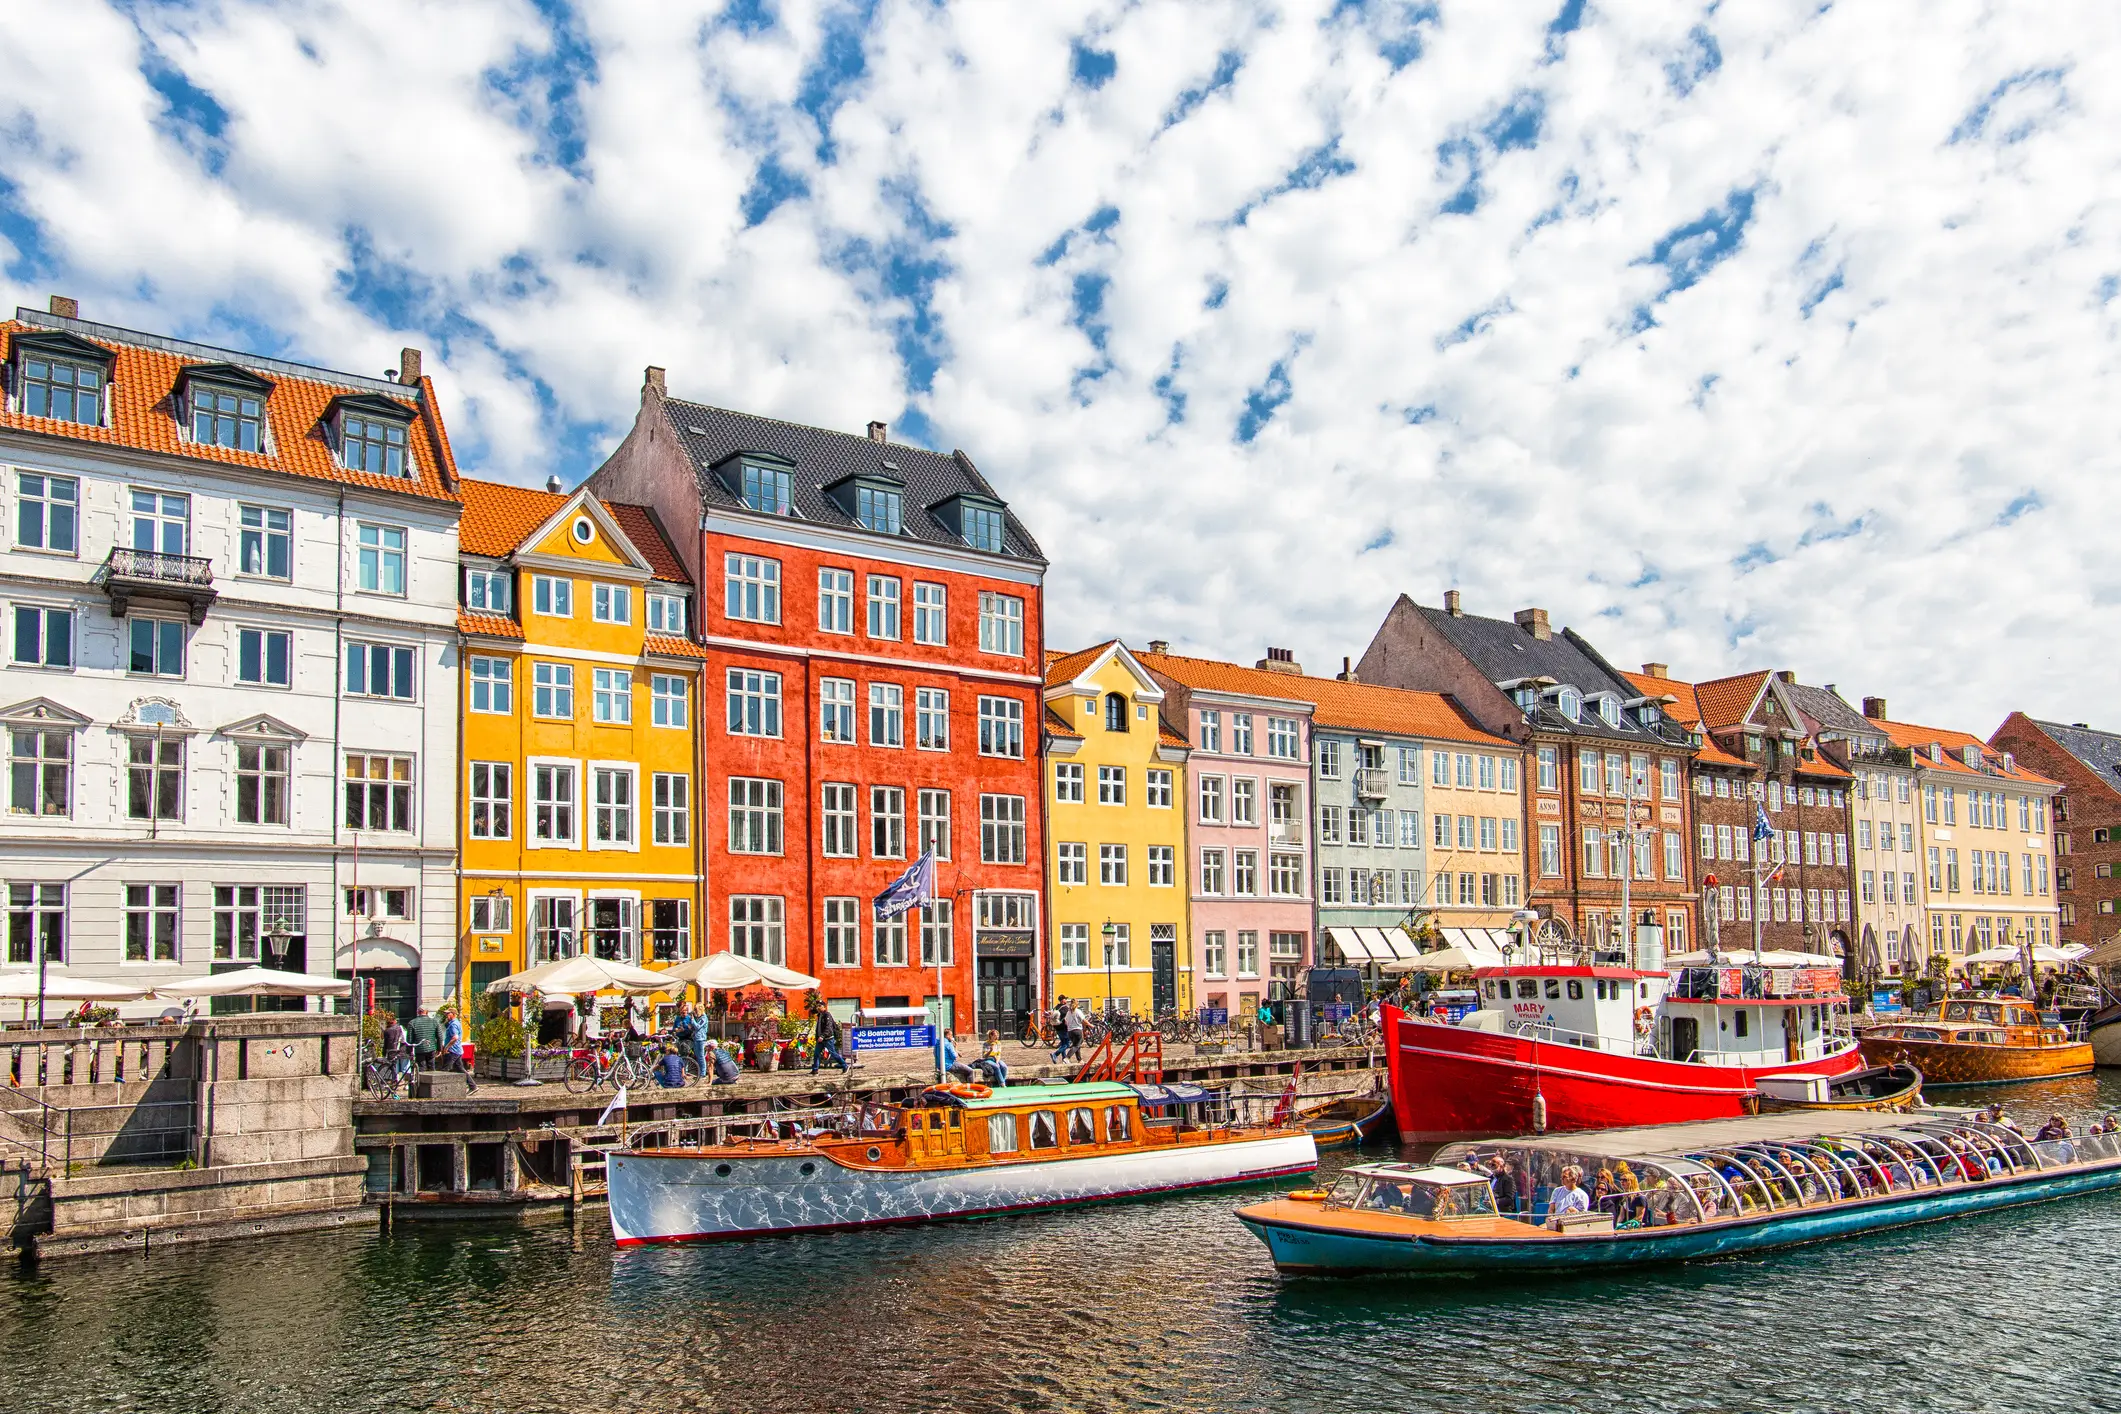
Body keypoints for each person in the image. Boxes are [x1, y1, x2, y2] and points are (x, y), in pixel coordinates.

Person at [438, 1005, 477, 1093]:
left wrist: (446, 1047)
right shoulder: (455, 1023)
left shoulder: (453, 1025)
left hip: (452, 1050)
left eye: (448, 1013)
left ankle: (440, 1090)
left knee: (445, 1070)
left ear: (453, 1014)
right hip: (457, 1050)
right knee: (460, 1068)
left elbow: (455, 1037)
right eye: (446, 1014)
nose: (446, 1015)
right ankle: (472, 1086)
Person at [810, 1000, 849, 1074]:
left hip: (828, 1039)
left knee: (833, 1053)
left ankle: (845, 1066)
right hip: (820, 1039)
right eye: (817, 1006)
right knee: (816, 1054)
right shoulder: (820, 1015)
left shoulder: (827, 1015)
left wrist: (822, 1036)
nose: (818, 1007)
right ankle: (815, 1070)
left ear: (823, 1007)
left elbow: (828, 1027)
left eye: (819, 1006)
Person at [672, 999, 708, 1080]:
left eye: (685, 1011)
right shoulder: (677, 1018)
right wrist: (676, 1030)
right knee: (681, 1055)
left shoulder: (690, 1018)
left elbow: (693, 1028)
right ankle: (683, 1072)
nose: (684, 1012)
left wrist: (685, 1029)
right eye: (682, 1011)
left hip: (690, 1039)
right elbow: (674, 1028)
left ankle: (690, 1072)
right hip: (681, 1038)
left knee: (688, 1054)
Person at [405, 1005, 441, 1070]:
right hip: (431, 1047)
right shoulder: (434, 1022)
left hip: (419, 1049)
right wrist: (439, 1049)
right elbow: (439, 1036)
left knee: (421, 1068)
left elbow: (409, 1040)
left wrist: (409, 1051)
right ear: (427, 1012)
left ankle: (422, 1079)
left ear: (418, 1012)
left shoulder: (412, 1022)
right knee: (431, 1067)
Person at [381, 1013, 411, 1082]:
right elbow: (406, 1039)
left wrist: (384, 1053)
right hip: (403, 1049)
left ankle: (396, 1081)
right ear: (395, 1021)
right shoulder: (401, 1028)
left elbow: (386, 1044)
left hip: (393, 1051)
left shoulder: (387, 1031)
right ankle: (407, 1083)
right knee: (405, 1068)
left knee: (395, 1067)